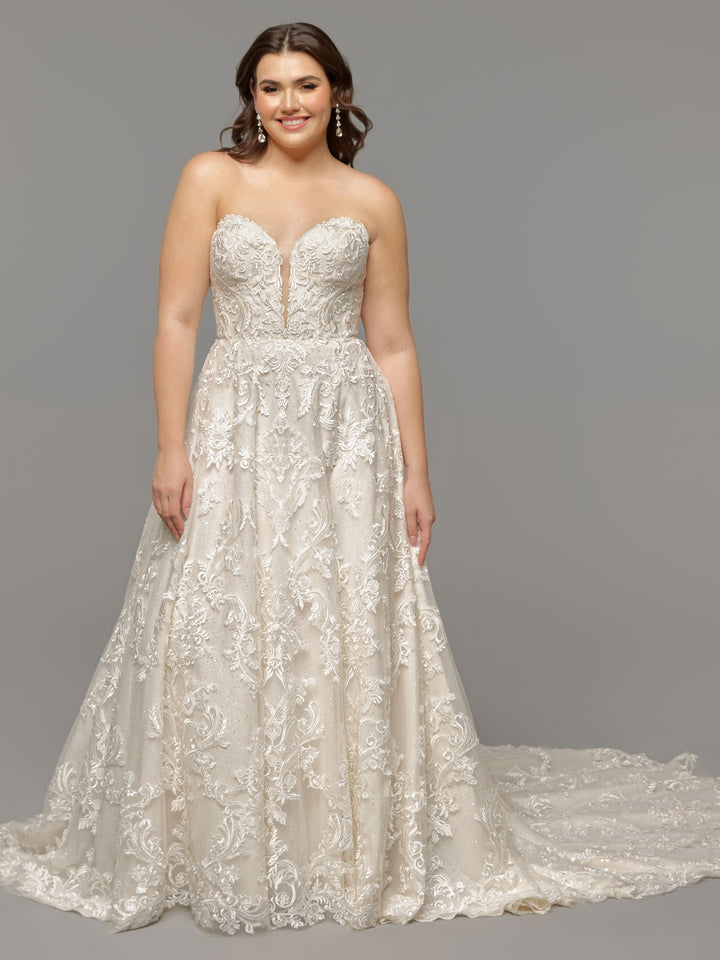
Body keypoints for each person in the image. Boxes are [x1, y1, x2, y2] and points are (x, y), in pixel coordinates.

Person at [2, 20, 720, 938]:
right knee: (218, 615)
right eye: (271, 86)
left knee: (334, 616)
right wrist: (169, 447)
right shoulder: (208, 179)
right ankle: (224, 836)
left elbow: (393, 342)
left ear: (336, 92)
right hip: (234, 422)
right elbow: (177, 320)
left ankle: (334, 843)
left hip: (343, 432)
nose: (288, 102)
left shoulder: (372, 199)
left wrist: (419, 472)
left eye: (306, 84)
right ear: (250, 97)